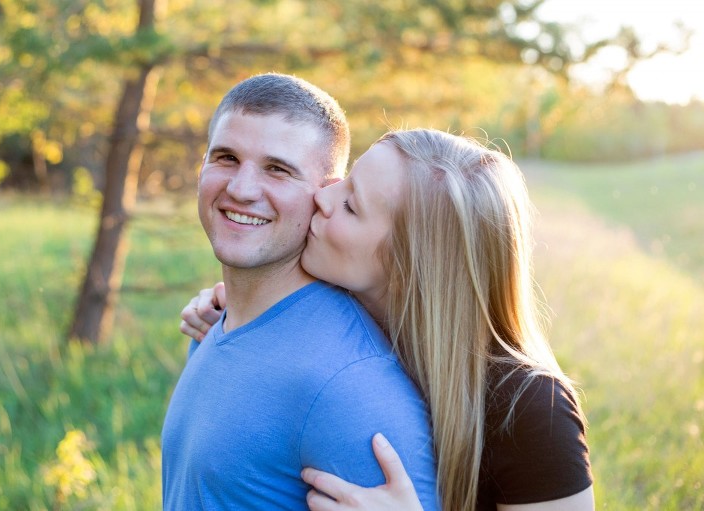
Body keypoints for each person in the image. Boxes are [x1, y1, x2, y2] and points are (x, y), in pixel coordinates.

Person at [181, 129, 594, 510]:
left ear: (409, 264)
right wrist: (237, 309)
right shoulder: (348, 317)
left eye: (350, 204)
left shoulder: (531, 409)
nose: (322, 197)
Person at [161, 73, 439, 510]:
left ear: (328, 194)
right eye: (226, 158)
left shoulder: (350, 384)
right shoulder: (219, 323)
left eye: (278, 169)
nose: (241, 189)